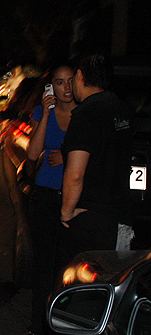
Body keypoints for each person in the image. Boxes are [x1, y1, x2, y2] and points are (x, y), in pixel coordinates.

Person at [15, 64, 76, 335]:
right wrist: (47, 112)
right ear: (51, 87)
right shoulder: (43, 112)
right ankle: (38, 327)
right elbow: (32, 153)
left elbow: (96, 152)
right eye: (59, 82)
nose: (66, 88)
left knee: (70, 265)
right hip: (46, 195)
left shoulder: (85, 114)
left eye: (70, 81)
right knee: (44, 266)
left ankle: (66, 330)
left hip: (74, 198)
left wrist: (67, 155)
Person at [59, 54, 133, 268]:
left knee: (82, 280)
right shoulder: (122, 110)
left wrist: (66, 212)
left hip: (91, 220)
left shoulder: (86, 115)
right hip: (120, 216)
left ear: (80, 76)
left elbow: (76, 173)